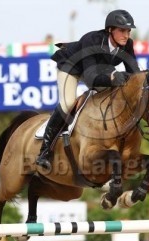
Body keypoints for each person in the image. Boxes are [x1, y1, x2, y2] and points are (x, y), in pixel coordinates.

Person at [36, 9, 140, 167]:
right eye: (122, 31)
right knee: (68, 103)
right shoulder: (92, 40)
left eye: (128, 31)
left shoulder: (128, 45)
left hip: (97, 69)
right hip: (71, 67)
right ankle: (44, 151)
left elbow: (134, 73)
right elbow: (91, 79)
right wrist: (112, 78)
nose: (126, 35)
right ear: (110, 30)